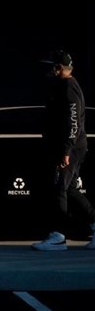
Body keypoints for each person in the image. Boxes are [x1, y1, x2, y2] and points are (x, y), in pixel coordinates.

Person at [32, 50, 95, 251]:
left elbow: (73, 122)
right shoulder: (62, 86)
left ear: (59, 68)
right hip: (67, 147)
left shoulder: (68, 88)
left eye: (52, 66)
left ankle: (58, 236)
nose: (49, 70)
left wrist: (66, 150)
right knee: (69, 189)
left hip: (69, 148)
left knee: (60, 188)